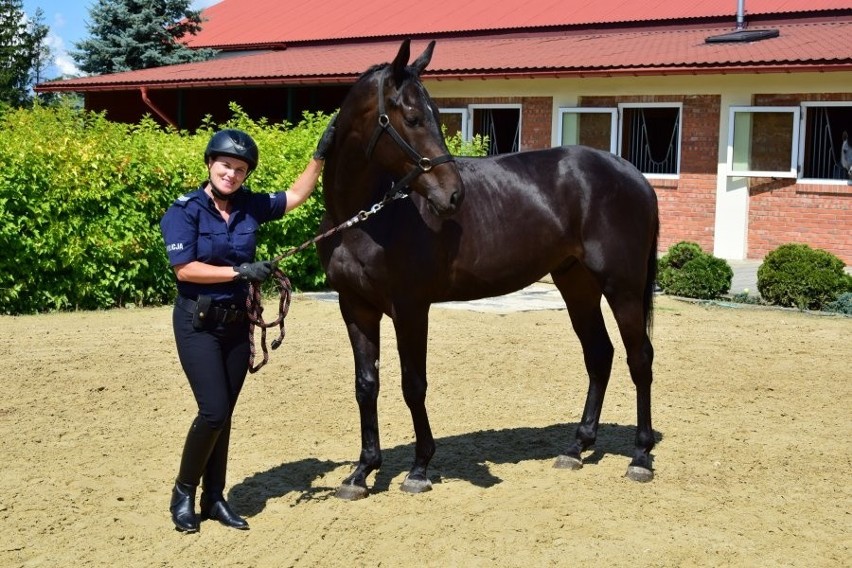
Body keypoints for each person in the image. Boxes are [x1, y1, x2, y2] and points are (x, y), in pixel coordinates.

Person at [160, 119, 335, 533]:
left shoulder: (249, 206)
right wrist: (240, 272)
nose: (231, 174)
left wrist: (320, 156)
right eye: (225, 165)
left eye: (240, 169)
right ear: (209, 164)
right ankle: (183, 492)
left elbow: (295, 195)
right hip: (197, 322)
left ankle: (215, 497)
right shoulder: (183, 212)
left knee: (225, 414)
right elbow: (185, 270)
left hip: (238, 324)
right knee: (213, 409)